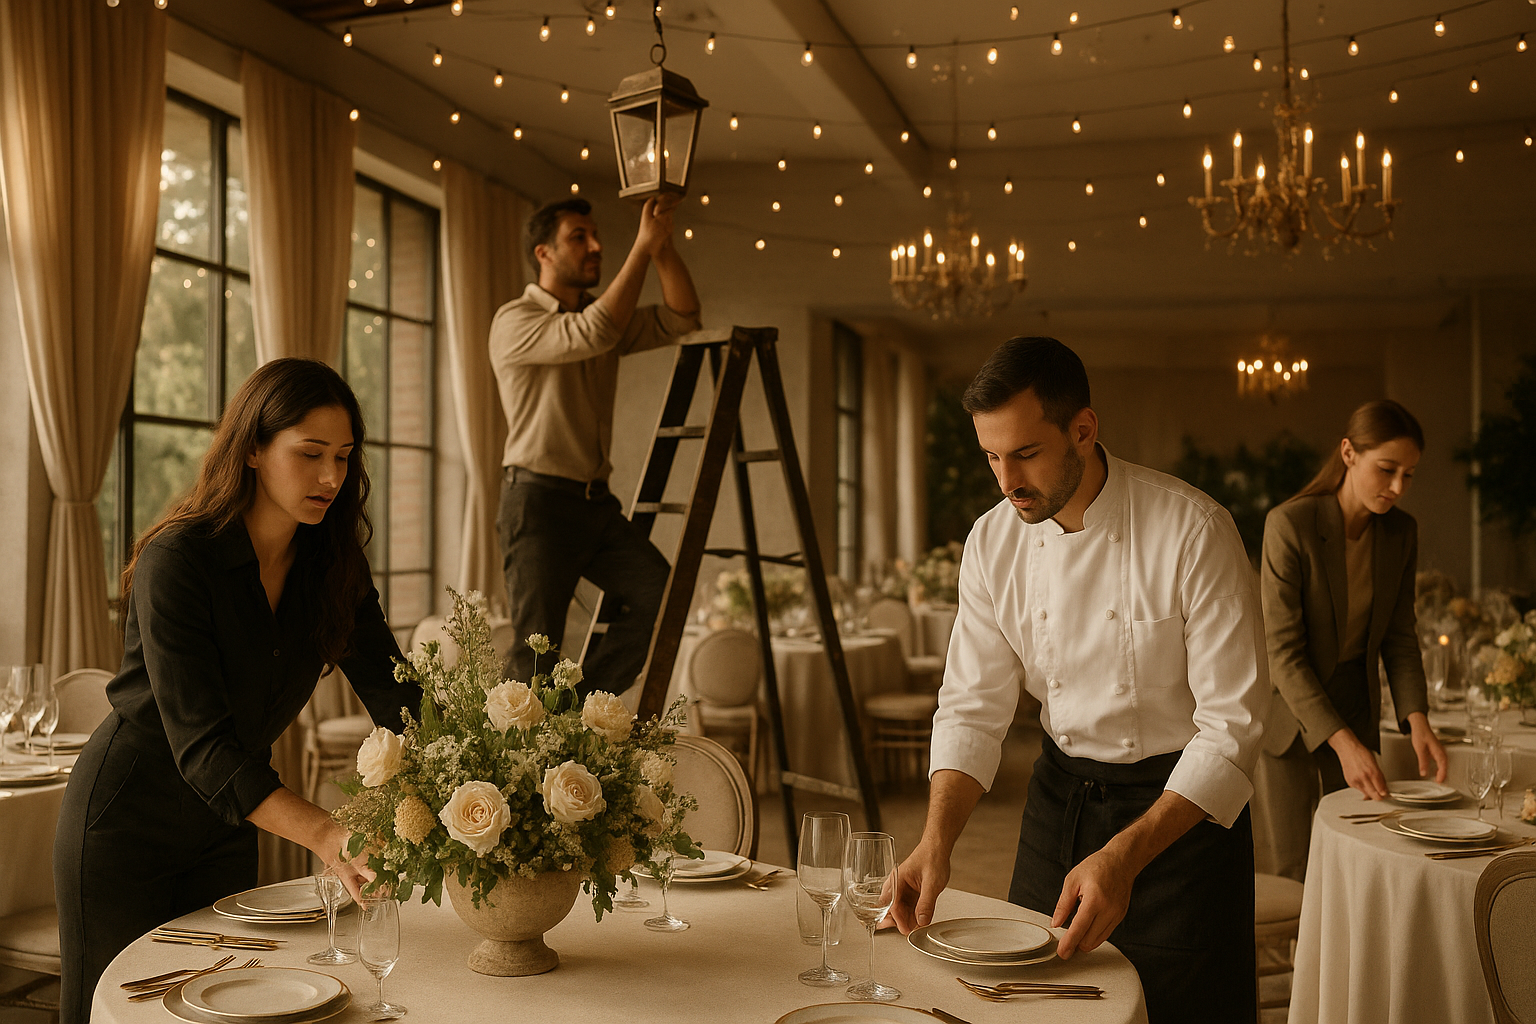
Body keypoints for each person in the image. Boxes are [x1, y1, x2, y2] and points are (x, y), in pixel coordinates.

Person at [890, 337, 1268, 1024]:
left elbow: (1232, 730)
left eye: (1026, 453)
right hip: (1060, 803)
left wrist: (1124, 856)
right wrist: (935, 841)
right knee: (1036, 1005)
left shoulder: (1193, 531)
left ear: (1084, 431)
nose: (1007, 480)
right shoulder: (991, 542)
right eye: (991, 457)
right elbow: (972, 708)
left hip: (1178, 818)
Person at [53, 359, 422, 1023]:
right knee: (113, 1013)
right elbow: (203, 746)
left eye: (343, 457)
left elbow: (398, 695)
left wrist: (473, 778)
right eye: (310, 454)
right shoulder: (177, 560)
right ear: (253, 449)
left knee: (227, 1010)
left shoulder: (332, 565)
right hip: (125, 823)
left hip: (228, 825)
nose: (331, 477)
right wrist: (327, 833)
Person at [489, 195, 701, 694]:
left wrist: (662, 248)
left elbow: (683, 317)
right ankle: (522, 741)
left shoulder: (601, 315)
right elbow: (595, 331)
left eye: (596, 236)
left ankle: (579, 711)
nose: (596, 246)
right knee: (536, 655)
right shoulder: (515, 320)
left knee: (664, 596)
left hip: (594, 505)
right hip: (537, 503)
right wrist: (641, 248)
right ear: (543, 253)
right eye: (578, 237)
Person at [1260, 400, 1447, 832]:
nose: (1398, 487)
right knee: (1295, 866)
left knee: (1354, 848)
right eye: (1387, 469)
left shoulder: (1401, 532)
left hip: (1356, 708)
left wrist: (1417, 719)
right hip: (1291, 715)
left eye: (1409, 474)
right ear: (1348, 453)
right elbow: (1282, 653)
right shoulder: (1290, 525)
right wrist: (1344, 745)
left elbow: (1400, 636)